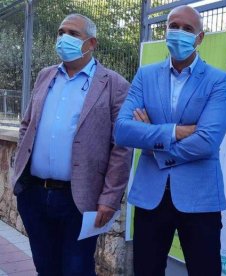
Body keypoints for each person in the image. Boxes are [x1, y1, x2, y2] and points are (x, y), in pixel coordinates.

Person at [114, 5, 226, 276]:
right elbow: (122, 130)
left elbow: (208, 140)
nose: (179, 33)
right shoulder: (146, 75)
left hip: (200, 198)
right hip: (150, 196)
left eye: (187, 29)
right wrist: (175, 131)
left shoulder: (217, 81)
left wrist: (153, 143)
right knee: (146, 270)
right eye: (173, 26)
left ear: (199, 38)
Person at [12, 14, 132, 276]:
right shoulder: (46, 76)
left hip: (80, 200)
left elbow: (121, 148)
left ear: (92, 43)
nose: (63, 38)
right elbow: (27, 125)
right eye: (60, 31)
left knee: (76, 269)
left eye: (73, 33)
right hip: (34, 194)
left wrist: (110, 199)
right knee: (45, 267)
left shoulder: (114, 84)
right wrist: (18, 175)